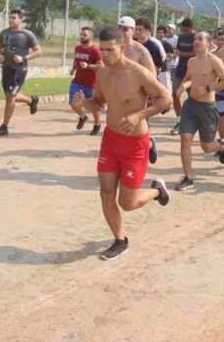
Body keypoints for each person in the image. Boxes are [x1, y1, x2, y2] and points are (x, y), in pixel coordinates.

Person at [73, 27, 172, 260]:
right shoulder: (103, 73)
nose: (105, 55)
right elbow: (98, 103)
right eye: (102, 50)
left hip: (135, 144)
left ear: (122, 47)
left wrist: (139, 115)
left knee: (127, 203)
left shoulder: (137, 73)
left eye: (110, 50)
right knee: (106, 192)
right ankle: (120, 239)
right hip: (111, 140)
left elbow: (165, 98)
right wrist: (82, 104)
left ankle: (157, 191)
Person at [174, 31, 224, 191]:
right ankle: (188, 178)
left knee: (206, 147)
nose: (196, 41)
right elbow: (189, 79)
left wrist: (207, 88)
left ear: (208, 43)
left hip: (207, 108)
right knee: (185, 138)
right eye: (195, 39)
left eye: (200, 39)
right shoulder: (191, 61)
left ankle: (221, 147)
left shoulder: (215, 61)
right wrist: (182, 86)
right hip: (191, 106)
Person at [117, 16, 159, 164]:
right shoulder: (114, 48)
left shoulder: (141, 52)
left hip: (138, 97)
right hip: (118, 96)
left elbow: (152, 75)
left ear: (133, 31)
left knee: (135, 128)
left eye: (126, 29)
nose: (122, 32)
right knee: (118, 127)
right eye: (120, 28)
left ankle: (148, 145)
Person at [0, 9, 41, 137]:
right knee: (10, 95)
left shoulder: (27, 34)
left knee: (10, 97)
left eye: (14, 17)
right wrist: (0, 56)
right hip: (6, 68)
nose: (11, 20)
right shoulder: (4, 33)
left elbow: (38, 51)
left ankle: (4, 127)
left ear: (20, 19)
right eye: (10, 17)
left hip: (19, 70)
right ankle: (31, 101)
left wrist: (24, 58)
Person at [69, 26, 103, 135]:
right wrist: (73, 68)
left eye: (85, 35)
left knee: (94, 106)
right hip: (77, 81)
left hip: (91, 83)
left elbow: (101, 66)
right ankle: (83, 117)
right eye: (81, 34)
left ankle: (97, 124)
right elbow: (76, 60)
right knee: (73, 103)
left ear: (91, 37)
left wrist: (88, 65)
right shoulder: (77, 48)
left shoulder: (95, 50)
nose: (82, 36)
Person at [171, 18, 196, 135]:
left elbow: (196, 53)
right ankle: (179, 120)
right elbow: (178, 51)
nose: (184, 32)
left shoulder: (196, 37)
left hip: (192, 72)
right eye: (183, 30)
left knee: (193, 98)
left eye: (186, 30)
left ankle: (192, 121)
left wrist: (182, 54)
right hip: (180, 70)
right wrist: (175, 54)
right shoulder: (181, 37)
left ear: (191, 28)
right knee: (175, 94)